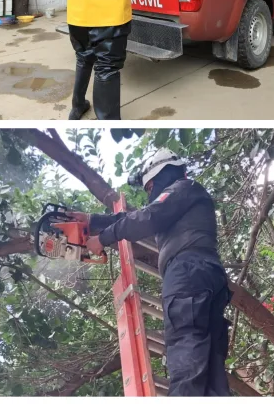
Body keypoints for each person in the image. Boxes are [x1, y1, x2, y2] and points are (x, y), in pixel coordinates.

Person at [72, 149, 230, 395]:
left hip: (186, 272)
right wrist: (92, 220)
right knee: (211, 373)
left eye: (149, 188)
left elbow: (148, 217)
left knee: (186, 353)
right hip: (209, 276)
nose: (149, 194)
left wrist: (102, 238)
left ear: (160, 176)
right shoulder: (186, 199)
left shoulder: (182, 188)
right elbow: (135, 217)